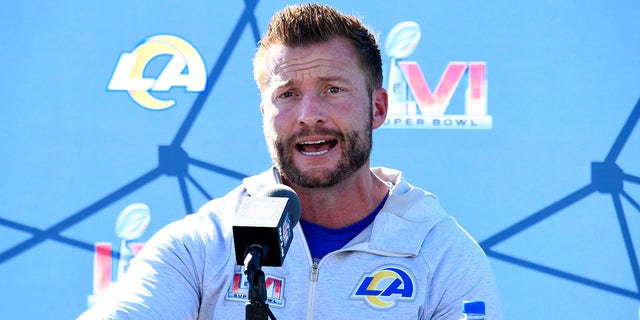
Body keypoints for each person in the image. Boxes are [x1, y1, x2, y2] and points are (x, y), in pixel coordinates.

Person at [78, 3, 502, 319]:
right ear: (265, 115)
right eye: (287, 95)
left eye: (333, 89)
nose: (308, 114)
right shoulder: (205, 244)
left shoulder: (441, 253)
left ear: (378, 108)